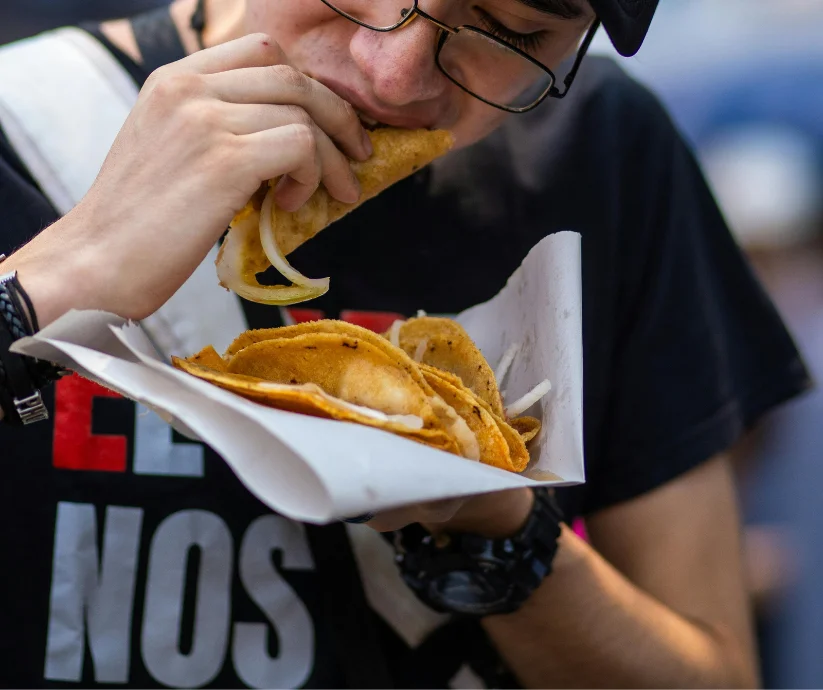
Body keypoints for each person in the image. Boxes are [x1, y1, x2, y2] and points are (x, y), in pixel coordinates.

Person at [0, 0, 809, 686]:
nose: (393, 73)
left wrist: (500, 534)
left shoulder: (601, 154)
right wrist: (55, 283)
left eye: (511, 31)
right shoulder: (24, 116)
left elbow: (711, 666)